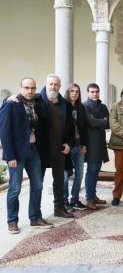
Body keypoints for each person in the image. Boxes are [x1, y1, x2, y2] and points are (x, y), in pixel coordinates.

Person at [0, 78, 53, 233]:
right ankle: (12, 222)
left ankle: (35, 217)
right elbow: (4, 132)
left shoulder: (35, 102)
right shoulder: (11, 104)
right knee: (15, 188)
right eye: (26, 87)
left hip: (33, 150)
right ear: (20, 88)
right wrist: (10, 156)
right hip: (16, 153)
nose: (30, 90)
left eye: (33, 88)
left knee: (37, 185)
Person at [35, 75, 74, 219]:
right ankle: (36, 214)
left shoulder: (65, 104)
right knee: (37, 183)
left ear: (60, 86)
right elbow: (22, 101)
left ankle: (59, 208)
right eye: (51, 84)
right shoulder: (37, 100)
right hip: (41, 150)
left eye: (56, 84)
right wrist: (9, 98)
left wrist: (69, 144)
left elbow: (70, 128)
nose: (53, 87)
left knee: (59, 181)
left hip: (60, 150)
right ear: (46, 84)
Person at [83, 83, 109, 210]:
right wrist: (102, 121)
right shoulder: (84, 105)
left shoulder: (103, 106)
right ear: (88, 92)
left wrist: (100, 122)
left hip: (101, 143)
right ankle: (89, 199)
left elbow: (108, 123)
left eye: (97, 91)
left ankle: (93, 196)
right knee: (91, 171)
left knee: (96, 172)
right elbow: (90, 121)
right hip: (91, 144)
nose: (95, 94)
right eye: (92, 92)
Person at [63, 84, 88, 211]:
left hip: (79, 146)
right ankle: (64, 201)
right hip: (67, 147)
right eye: (72, 91)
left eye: (77, 91)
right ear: (68, 92)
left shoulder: (81, 107)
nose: (74, 93)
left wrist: (84, 144)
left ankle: (75, 199)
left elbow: (84, 128)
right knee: (65, 176)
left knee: (79, 175)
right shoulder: (63, 106)